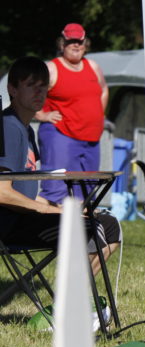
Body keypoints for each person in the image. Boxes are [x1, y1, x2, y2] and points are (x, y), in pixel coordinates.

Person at [0, 56, 121, 277]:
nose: (39, 92)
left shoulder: (25, 129)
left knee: (109, 224)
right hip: (9, 226)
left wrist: (65, 209)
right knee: (90, 229)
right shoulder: (8, 127)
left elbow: (23, 192)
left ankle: (73, 302)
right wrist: (50, 210)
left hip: (22, 218)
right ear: (13, 90)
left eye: (43, 86)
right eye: (30, 86)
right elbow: (2, 194)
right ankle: (71, 302)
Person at [34, 23, 109, 205]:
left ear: (85, 43)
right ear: (62, 44)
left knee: (87, 191)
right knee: (56, 190)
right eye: (71, 42)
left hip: (91, 138)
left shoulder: (92, 66)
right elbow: (30, 94)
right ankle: (50, 230)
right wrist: (42, 115)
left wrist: (99, 114)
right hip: (61, 135)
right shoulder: (52, 68)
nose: (76, 45)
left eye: (79, 41)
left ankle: (82, 231)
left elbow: (104, 89)